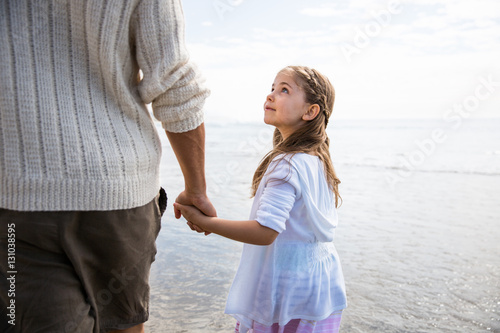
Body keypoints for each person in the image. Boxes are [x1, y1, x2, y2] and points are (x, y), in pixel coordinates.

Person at [0, 0, 215, 332]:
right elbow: (175, 83)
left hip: (20, 198)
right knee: (123, 324)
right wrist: (196, 189)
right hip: (120, 194)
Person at [175, 65, 347, 332]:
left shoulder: (287, 165)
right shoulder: (318, 160)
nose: (270, 95)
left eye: (284, 90)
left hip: (285, 290)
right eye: (272, 88)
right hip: (318, 283)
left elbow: (266, 231)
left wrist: (206, 222)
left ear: (310, 111)